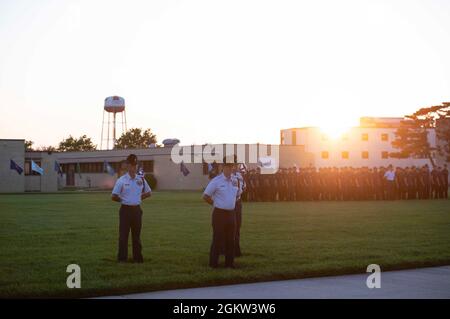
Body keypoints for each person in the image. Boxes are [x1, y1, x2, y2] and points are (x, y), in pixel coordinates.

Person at [111, 154, 152, 263]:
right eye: (131, 165)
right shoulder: (121, 180)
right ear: (127, 166)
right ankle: (122, 259)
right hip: (125, 211)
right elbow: (114, 196)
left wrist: (137, 198)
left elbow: (148, 193)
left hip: (137, 211)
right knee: (123, 236)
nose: (133, 167)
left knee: (136, 236)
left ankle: (137, 258)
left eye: (135, 165)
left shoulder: (141, 179)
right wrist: (124, 200)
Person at [203, 156, 239, 268]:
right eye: (227, 166)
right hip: (219, 214)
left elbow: (237, 195)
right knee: (217, 240)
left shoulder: (235, 180)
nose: (229, 168)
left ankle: (230, 264)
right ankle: (213, 264)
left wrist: (230, 203)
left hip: (231, 214)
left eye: (231, 166)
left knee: (231, 240)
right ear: (222, 167)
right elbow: (206, 196)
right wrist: (216, 204)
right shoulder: (216, 181)